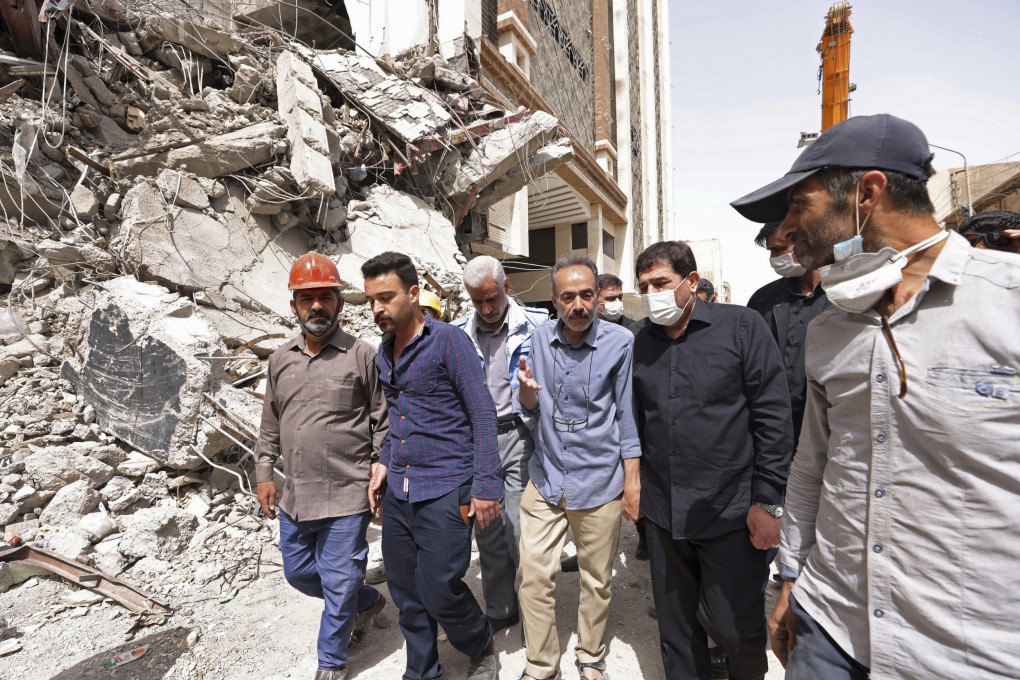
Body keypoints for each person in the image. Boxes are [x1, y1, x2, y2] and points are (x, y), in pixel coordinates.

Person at [731, 113, 1020, 680]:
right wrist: (792, 578)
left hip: (971, 652)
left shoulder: (1006, 305)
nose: (785, 232)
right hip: (830, 627)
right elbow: (813, 466)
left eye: (798, 206)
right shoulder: (830, 328)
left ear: (867, 193)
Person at [630, 240, 793, 680]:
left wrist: (768, 502)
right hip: (665, 514)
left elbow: (773, 418)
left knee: (734, 628)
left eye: (661, 283)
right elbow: (635, 421)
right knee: (676, 631)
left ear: (691, 282)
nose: (652, 294)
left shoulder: (742, 327)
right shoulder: (641, 344)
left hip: (731, 511)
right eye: (643, 286)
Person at [362, 251, 502, 680]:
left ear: (414, 294)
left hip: (447, 486)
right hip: (400, 491)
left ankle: (481, 645)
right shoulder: (384, 352)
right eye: (370, 300)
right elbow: (400, 419)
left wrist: (486, 485)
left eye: (386, 297)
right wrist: (384, 462)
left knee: (440, 588)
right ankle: (422, 671)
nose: (377, 308)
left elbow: (483, 414)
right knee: (406, 591)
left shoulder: (448, 341)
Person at [255, 252, 389, 680]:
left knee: (339, 577)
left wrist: (379, 466)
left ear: (339, 303)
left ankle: (331, 663)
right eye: (307, 298)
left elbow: (382, 420)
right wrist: (263, 474)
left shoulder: (362, 356)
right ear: (293, 305)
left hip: (347, 491)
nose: (316, 306)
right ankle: (365, 601)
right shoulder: (280, 360)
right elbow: (270, 422)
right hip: (295, 493)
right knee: (298, 574)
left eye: (325, 297)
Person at [516, 254, 642, 680]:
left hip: (599, 480)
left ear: (597, 297)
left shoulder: (620, 344)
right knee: (533, 577)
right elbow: (529, 408)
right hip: (547, 478)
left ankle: (590, 657)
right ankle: (541, 665)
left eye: (587, 295)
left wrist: (632, 482)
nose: (579, 306)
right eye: (568, 297)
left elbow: (627, 417)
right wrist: (528, 392)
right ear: (554, 301)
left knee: (597, 580)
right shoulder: (537, 341)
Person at [451, 255, 549, 633]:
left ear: (507, 287)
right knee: (488, 529)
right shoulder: (458, 333)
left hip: (521, 434)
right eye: (478, 301)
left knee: (520, 529)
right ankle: (501, 609)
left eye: (492, 298)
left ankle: (533, 616)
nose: (487, 309)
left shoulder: (538, 327)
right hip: (479, 440)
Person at [746, 221, 830, 447]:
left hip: (828, 427)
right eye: (772, 251)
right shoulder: (763, 300)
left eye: (781, 249)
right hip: (775, 432)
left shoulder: (841, 296)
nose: (775, 257)